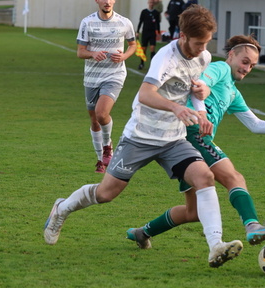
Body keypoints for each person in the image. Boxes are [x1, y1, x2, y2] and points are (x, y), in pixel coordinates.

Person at [44, 5, 243, 269]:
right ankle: (62, 208)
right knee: (106, 194)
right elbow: (145, 94)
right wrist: (175, 107)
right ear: (182, 35)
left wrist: (201, 111)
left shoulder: (203, 56)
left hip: (173, 139)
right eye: (198, 43)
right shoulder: (166, 57)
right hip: (141, 136)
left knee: (204, 177)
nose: (203, 48)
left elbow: (194, 90)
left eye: (206, 42)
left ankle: (215, 245)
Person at [126, 35, 265, 251]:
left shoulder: (233, 92)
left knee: (193, 212)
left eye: (252, 65)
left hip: (185, 141)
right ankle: (252, 225)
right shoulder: (220, 69)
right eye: (245, 61)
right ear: (231, 55)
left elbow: (254, 124)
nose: (247, 68)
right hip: (192, 133)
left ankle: (142, 233)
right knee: (234, 177)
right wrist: (203, 94)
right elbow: (201, 81)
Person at [76, 0, 136, 173]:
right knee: (94, 119)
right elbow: (80, 51)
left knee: (102, 114)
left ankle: (108, 147)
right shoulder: (87, 22)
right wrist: (93, 53)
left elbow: (133, 45)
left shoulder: (124, 22)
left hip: (114, 75)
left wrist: (124, 56)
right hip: (92, 77)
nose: (108, 2)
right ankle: (100, 159)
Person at [136, 0, 161, 70]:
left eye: (152, 3)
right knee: (144, 49)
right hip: (145, 33)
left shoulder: (156, 13)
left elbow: (158, 23)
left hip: (152, 33)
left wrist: (158, 32)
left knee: (152, 48)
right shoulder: (144, 12)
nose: (151, 4)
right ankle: (141, 63)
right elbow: (140, 22)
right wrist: (137, 31)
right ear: (148, 3)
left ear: (154, 4)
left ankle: (152, 65)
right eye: (150, 2)